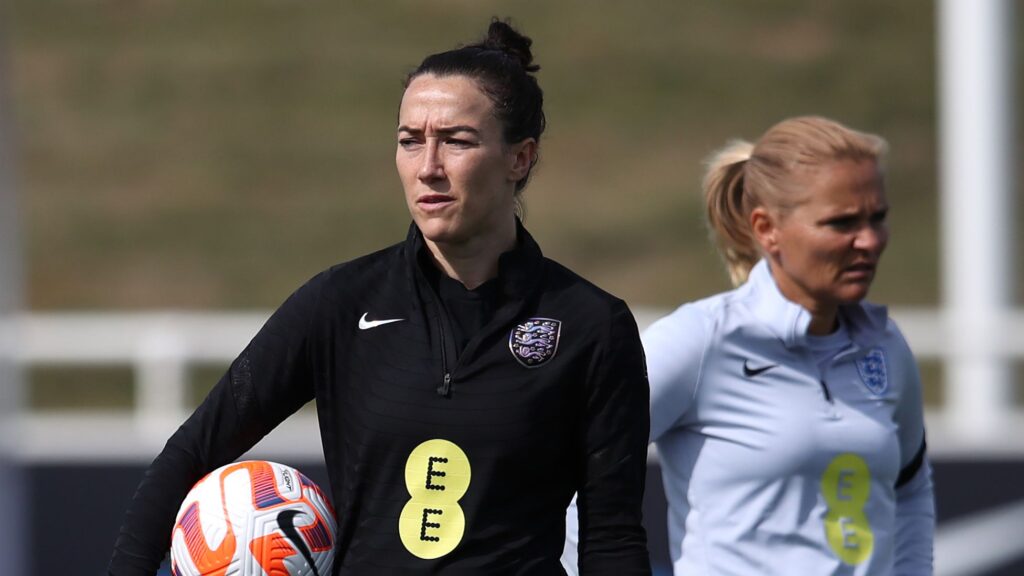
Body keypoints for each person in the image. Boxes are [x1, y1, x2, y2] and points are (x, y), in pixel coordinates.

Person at [109, 19, 651, 575]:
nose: (428, 168)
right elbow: (192, 453)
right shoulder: (340, 303)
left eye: (457, 141)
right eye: (410, 141)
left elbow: (612, 539)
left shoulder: (590, 325)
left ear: (520, 158)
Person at [645, 116, 935, 574]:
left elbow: (911, 486)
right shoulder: (698, 341)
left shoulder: (886, 346)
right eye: (842, 222)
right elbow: (574, 471)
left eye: (877, 217)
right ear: (766, 228)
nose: (870, 241)